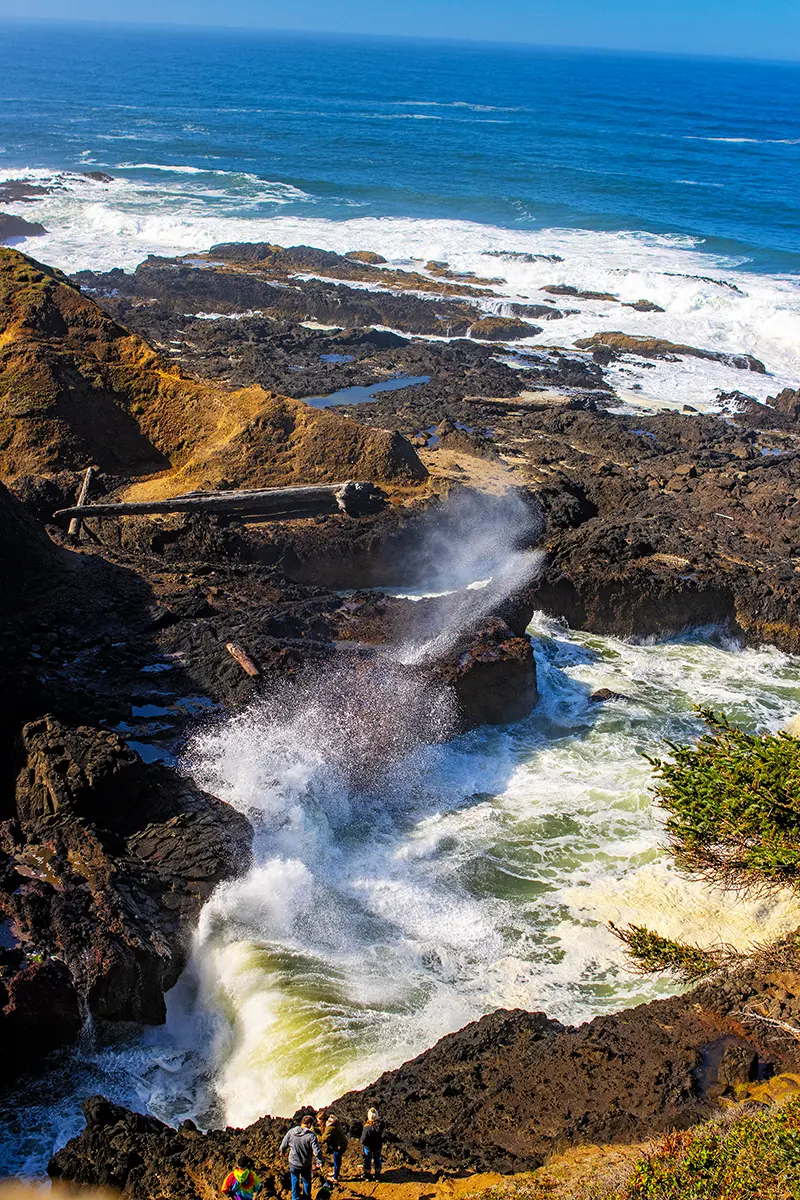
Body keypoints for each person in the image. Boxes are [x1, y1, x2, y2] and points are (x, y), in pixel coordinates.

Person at [280, 1113, 324, 1200]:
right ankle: (306, 1198)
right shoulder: (311, 1136)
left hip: (293, 1162)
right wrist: (319, 1161)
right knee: (306, 1181)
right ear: (309, 1124)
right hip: (305, 1164)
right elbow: (317, 1151)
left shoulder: (291, 1132)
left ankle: (295, 1198)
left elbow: (284, 1144)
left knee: (294, 1179)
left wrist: (282, 1151)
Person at [321, 1114, 348, 1182]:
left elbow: (323, 1139)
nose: (317, 1122)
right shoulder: (333, 1122)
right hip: (341, 1143)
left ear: (323, 1120)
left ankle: (335, 1177)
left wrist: (315, 1135)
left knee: (336, 1161)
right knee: (337, 1160)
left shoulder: (330, 1128)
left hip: (339, 1146)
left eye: (318, 1121)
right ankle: (336, 1172)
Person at [360, 1108, 384, 1181]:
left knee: (367, 1160)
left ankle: (367, 1176)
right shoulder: (381, 1125)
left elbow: (362, 1140)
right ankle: (377, 1176)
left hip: (368, 1148)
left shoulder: (367, 1128)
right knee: (377, 1159)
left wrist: (367, 1144)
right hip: (378, 1146)